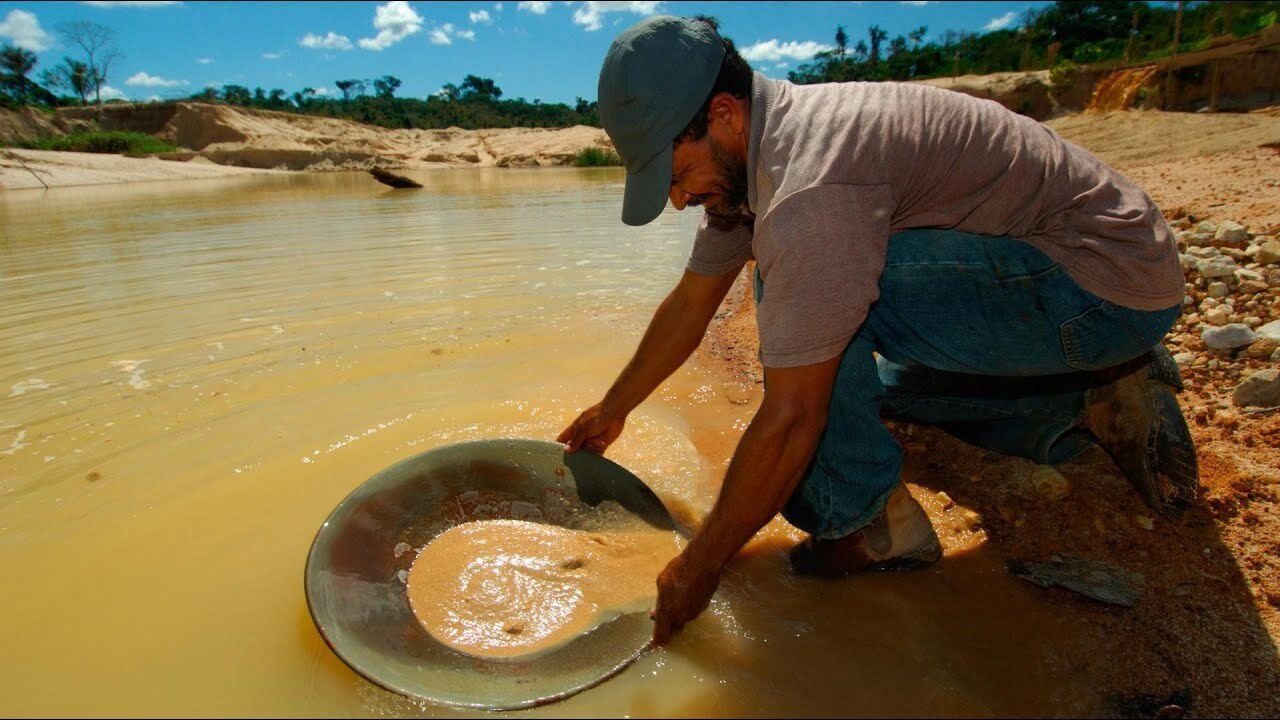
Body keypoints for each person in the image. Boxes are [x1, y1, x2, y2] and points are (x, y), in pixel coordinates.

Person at [557, 15, 1199, 645]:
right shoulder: (761, 152)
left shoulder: (806, 190)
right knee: (871, 382)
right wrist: (614, 409)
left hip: (1099, 285)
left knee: (802, 308)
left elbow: (792, 419)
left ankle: (870, 526)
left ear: (723, 113)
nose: (676, 201)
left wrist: (702, 563)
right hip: (1100, 269)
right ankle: (1086, 397)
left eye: (674, 176)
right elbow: (691, 301)